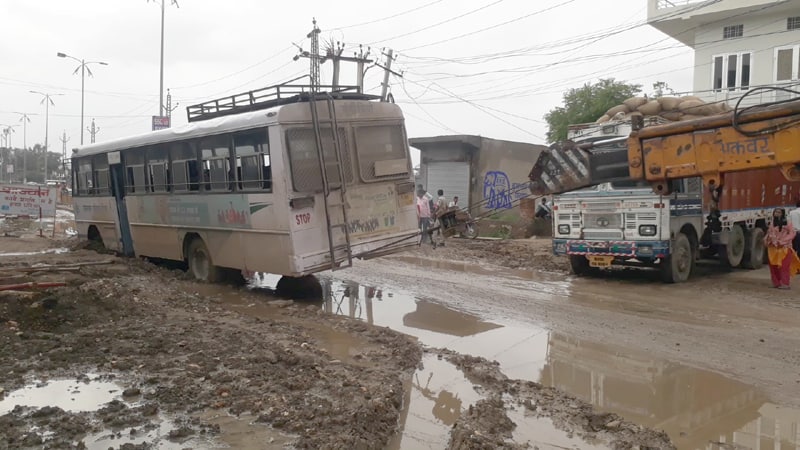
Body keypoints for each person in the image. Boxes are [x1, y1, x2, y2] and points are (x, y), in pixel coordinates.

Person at [765, 207, 800, 289]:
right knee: (773, 267)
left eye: (779, 212)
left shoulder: (787, 223)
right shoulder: (772, 223)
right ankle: (776, 283)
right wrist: (770, 241)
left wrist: (782, 241)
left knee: (784, 266)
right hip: (773, 248)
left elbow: (792, 234)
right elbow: (769, 233)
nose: (777, 213)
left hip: (785, 247)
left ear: (783, 213)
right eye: (776, 212)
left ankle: (785, 283)